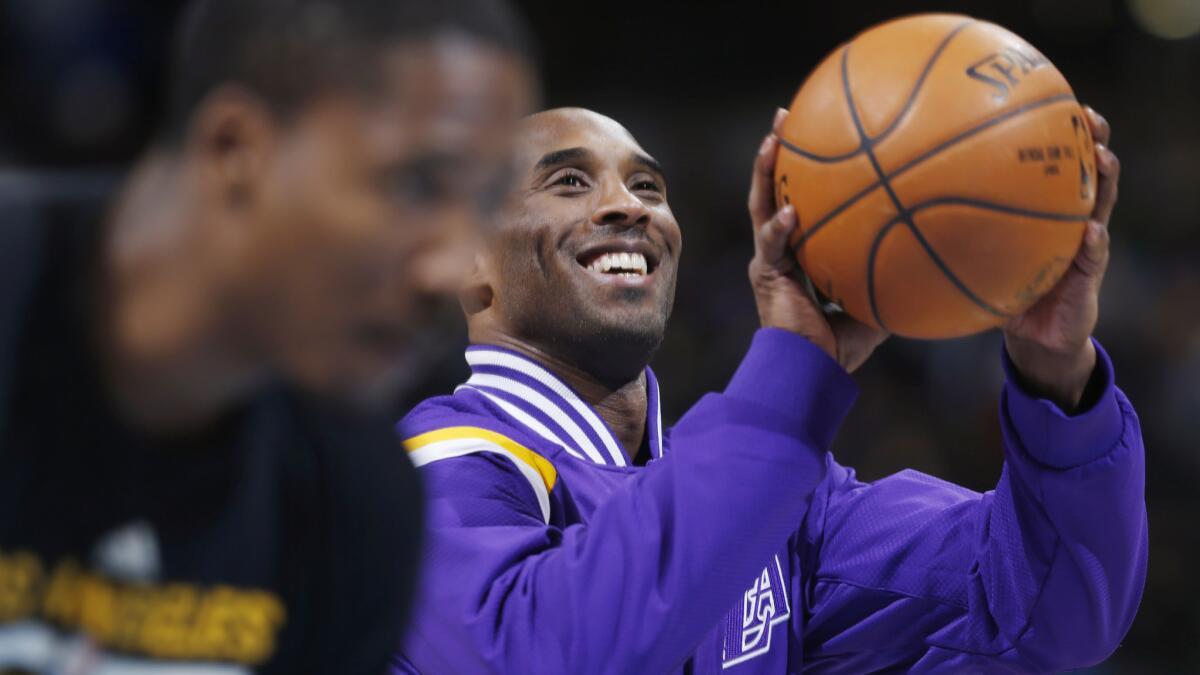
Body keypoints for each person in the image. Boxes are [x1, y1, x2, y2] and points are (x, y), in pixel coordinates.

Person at [391, 107, 1146, 673]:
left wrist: (1056, 372)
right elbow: (543, 652)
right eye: (568, 181)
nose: (631, 206)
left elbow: (1052, 608)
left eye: (648, 184)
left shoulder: (784, 499)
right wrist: (789, 371)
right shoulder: (427, 476)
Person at [0, 1, 535, 673]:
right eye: (417, 185)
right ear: (235, 149)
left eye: (484, 202)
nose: (452, 266)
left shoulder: (355, 496)